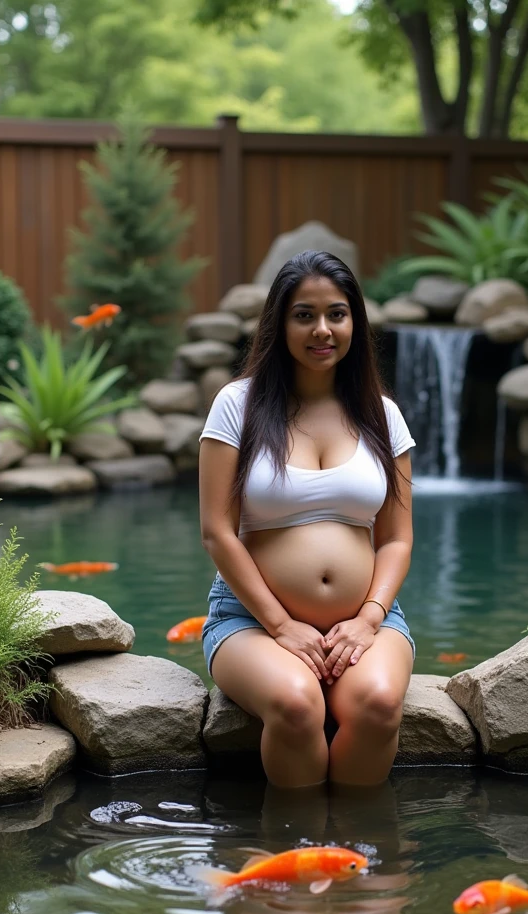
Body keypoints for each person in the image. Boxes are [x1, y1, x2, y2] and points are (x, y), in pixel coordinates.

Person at [198, 250, 415, 789]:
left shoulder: (381, 414)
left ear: (354, 323)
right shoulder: (237, 405)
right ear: (280, 323)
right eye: (304, 315)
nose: (322, 329)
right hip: (250, 621)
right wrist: (281, 625)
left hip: (367, 621)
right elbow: (217, 531)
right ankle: (294, 855)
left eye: (337, 314)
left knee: (381, 703)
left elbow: (396, 539)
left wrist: (369, 617)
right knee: (297, 705)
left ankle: (352, 856)